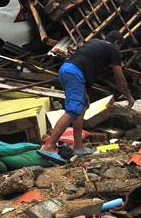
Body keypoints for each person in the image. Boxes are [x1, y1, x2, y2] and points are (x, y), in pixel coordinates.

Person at [39, 30, 135, 162]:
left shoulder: (94, 42)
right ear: (117, 43)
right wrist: (128, 96)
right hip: (74, 73)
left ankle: (78, 147)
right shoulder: (113, 49)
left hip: (66, 69)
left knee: (82, 106)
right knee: (72, 111)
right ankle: (48, 146)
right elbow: (119, 77)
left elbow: (83, 61)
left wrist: (84, 93)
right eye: (119, 46)